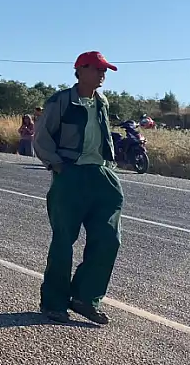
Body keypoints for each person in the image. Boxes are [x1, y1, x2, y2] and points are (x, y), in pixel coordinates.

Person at [33, 51, 123, 326]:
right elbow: (41, 137)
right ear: (80, 70)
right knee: (63, 242)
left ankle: (86, 298)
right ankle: (54, 304)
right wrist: (58, 166)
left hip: (101, 175)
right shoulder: (61, 101)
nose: (102, 74)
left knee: (109, 239)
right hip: (71, 175)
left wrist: (109, 166)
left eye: (104, 70)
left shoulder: (102, 102)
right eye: (97, 69)